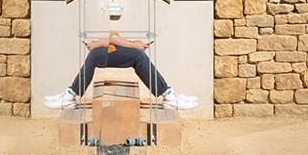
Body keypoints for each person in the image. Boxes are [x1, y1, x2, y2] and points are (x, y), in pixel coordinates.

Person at [44, 31, 198, 111]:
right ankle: (169, 96)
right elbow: (113, 40)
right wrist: (132, 45)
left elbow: (113, 38)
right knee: (136, 55)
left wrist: (129, 43)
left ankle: (70, 96)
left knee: (137, 55)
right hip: (103, 50)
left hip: (106, 48)